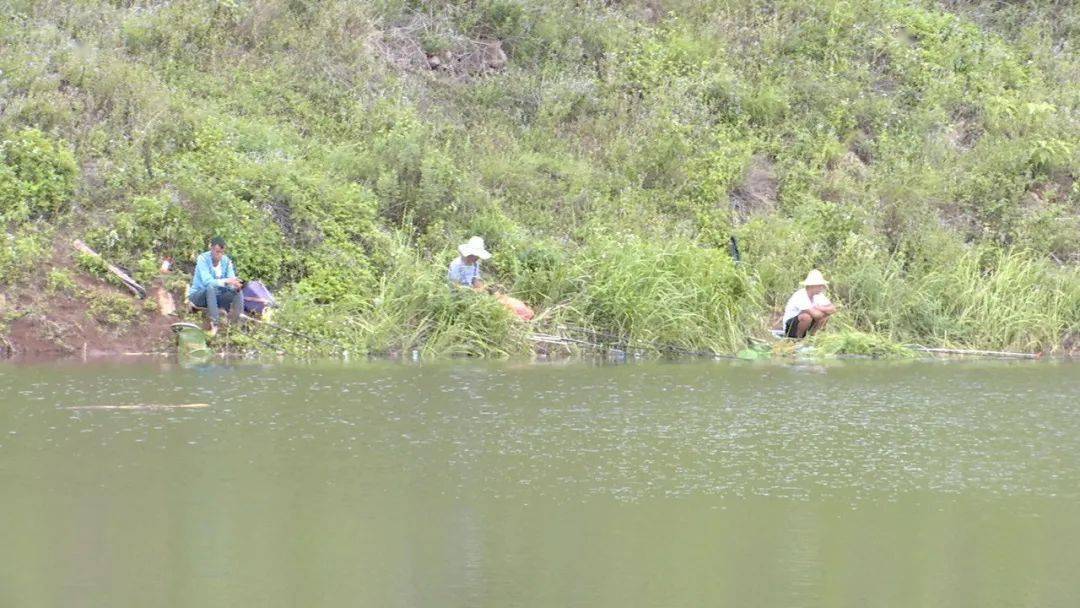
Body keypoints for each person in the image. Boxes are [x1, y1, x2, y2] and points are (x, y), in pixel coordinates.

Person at [447, 236, 535, 321]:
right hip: (458, 296)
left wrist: (484, 288)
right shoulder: (456, 265)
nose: (477, 258)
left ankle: (522, 314)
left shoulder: (475, 264)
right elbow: (456, 286)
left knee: (501, 299)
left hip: (472, 293)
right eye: (475, 255)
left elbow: (475, 279)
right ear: (470, 254)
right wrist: (475, 292)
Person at [188, 236, 244, 336]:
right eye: (218, 252)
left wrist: (235, 285)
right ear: (212, 249)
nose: (220, 255)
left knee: (237, 291)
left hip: (216, 296)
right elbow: (207, 282)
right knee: (211, 287)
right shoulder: (203, 259)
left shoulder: (226, 261)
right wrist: (227, 281)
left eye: (222, 252)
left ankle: (236, 325)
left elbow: (231, 279)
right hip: (199, 295)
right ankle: (215, 325)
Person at [781, 269, 836, 339]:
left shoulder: (819, 295)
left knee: (825, 317)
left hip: (808, 324)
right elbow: (817, 315)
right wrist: (823, 310)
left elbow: (833, 309)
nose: (822, 287)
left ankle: (812, 337)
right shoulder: (800, 295)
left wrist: (820, 308)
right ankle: (797, 338)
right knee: (806, 317)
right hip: (791, 327)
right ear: (812, 286)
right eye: (819, 285)